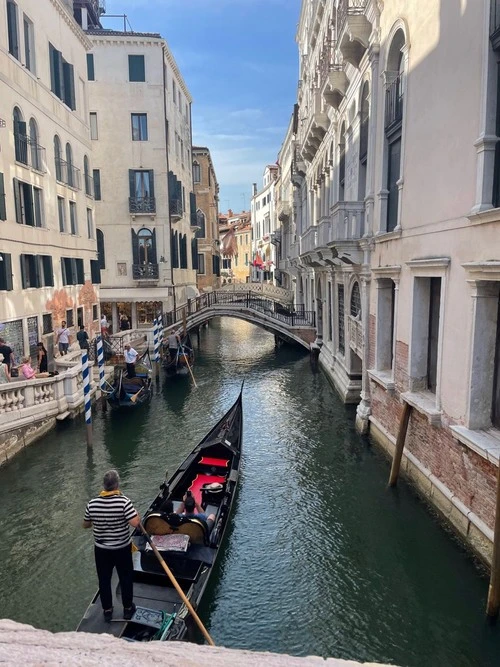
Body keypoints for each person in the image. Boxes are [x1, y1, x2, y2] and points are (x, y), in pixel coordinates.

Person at [83, 469, 140, 622]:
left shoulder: (92, 503)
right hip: (121, 548)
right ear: (117, 484)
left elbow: (86, 525)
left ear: (104, 485)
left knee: (104, 579)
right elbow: (135, 523)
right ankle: (128, 609)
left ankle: (107, 610)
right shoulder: (124, 502)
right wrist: (134, 512)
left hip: (101, 550)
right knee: (125, 577)